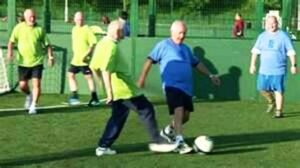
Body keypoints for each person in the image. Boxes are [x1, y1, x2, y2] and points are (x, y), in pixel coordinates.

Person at [89, 20, 177, 156]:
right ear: (117, 32)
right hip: (125, 91)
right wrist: (109, 93)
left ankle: (103, 146)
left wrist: (103, 86)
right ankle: (158, 142)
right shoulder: (111, 47)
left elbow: (93, 67)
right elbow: (106, 70)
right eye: (123, 32)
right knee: (147, 110)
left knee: (117, 117)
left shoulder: (101, 43)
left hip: (119, 91)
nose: (124, 36)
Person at [138, 20, 220, 154]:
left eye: (184, 33)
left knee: (185, 116)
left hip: (187, 88)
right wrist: (142, 78)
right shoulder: (163, 45)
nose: (182, 36)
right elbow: (149, 60)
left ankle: (168, 131)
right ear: (172, 32)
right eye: (180, 33)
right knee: (179, 109)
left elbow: (197, 63)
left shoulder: (186, 49)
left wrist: (211, 75)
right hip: (172, 86)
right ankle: (179, 142)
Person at [7, 9, 54, 114]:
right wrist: (10, 52)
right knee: (23, 85)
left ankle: (33, 105)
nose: (32, 19)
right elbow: (11, 42)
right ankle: (29, 95)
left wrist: (51, 57)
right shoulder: (18, 28)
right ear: (25, 17)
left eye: (34, 17)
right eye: (30, 17)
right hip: (23, 63)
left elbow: (48, 45)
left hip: (37, 62)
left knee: (36, 84)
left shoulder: (40, 29)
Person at [249, 15, 297, 118]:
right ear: (266, 24)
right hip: (264, 70)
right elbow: (255, 51)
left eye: (274, 23)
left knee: (278, 90)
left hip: (279, 70)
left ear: (277, 23)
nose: (271, 25)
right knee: (261, 88)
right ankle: (271, 101)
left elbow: (291, 52)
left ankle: (279, 111)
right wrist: (252, 65)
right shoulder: (262, 36)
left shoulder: (284, 36)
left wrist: (294, 65)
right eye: (269, 23)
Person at [68, 11, 100, 106]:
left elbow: (93, 44)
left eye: (81, 19)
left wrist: (87, 55)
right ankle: (74, 96)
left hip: (84, 60)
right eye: (78, 19)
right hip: (75, 60)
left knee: (88, 78)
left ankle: (94, 98)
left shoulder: (87, 29)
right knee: (70, 75)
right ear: (74, 19)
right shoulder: (74, 29)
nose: (80, 21)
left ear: (84, 19)